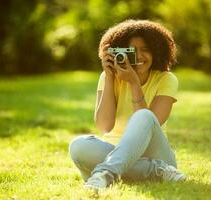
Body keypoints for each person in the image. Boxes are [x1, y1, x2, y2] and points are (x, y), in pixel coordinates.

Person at [69, 19, 186, 190]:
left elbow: (152, 126)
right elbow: (104, 125)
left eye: (145, 50)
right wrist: (109, 77)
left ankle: (105, 173)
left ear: (156, 52)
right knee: (78, 145)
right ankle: (154, 172)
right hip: (117, 152)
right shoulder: (108, 77)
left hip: (156, 155)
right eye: (132, 51)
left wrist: (134, 84)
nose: (139, 56)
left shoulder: (166, 79)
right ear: (120, 52)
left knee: (145, 116)